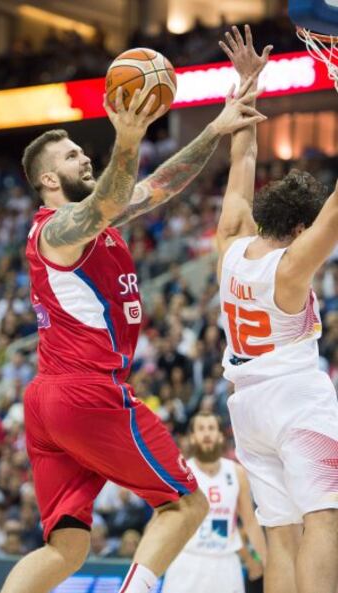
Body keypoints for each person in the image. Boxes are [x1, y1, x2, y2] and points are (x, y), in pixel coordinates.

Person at [0, 69, 266, 593]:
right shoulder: (58, 231)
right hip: (86, 393)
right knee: (187, 503)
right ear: (49, 181)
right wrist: (128, 133)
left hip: (49, 401)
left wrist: (216, 128)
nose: (84, 158)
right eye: (73, 155)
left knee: (67, 547)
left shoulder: (94, 223)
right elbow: (110, 198)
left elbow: (156, 186)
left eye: (82, 150)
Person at [217, 25, 338, 593]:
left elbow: (242, 155)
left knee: (281, 534)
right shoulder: (290, 268)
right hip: (294, 399)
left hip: (247, 409)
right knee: (324, 520)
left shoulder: (231, 244)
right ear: (297, 227)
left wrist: (247, 84)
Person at [162, 411, 266, 593]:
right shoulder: (179, 473)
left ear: (220, 436)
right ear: (193, 438)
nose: (207, 433)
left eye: (211, 428)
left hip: (226, 564)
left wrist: (264, 560)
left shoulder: (237, 473)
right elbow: (163, 521)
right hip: (187, 560)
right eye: (201, 429)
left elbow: (250, 523)